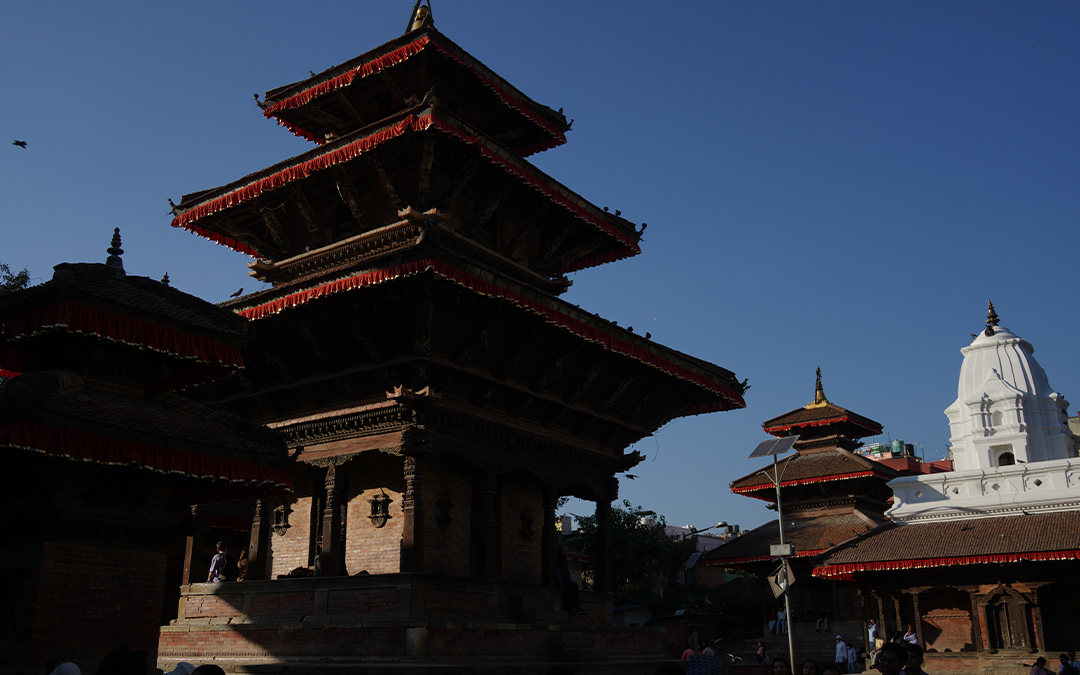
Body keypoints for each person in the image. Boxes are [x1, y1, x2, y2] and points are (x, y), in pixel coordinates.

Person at [556, 544, 585, 615]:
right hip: (562, 580)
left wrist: (569, 579)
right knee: (569, 587)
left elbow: (567, 572)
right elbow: (557, 572)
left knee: (575, 586)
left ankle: (578, 607)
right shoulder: (558, 560)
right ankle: (570, 607)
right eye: (565, 551)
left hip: (566, 580)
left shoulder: (564, 561)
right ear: (561, 552)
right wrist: (559, 583)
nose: (566, 553)